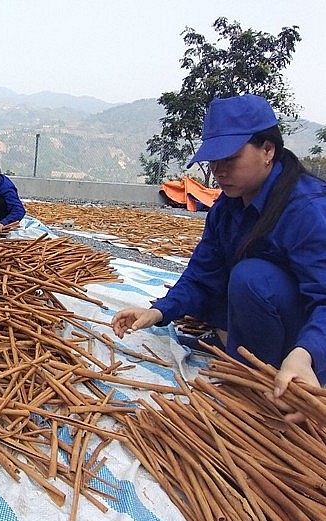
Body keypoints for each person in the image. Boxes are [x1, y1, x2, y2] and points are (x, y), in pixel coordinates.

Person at [110, 94, 326, 422]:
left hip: (308, 339)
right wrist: (158, 311)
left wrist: (306, 353)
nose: (219, 171)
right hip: (274, 321)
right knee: (226, 280)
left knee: (251, 277)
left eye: (230, 159)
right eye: (214, 161)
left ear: (268, 150)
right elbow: (202, 271)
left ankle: (273, 386)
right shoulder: (227, 206)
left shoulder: (307, 209)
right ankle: (256, 366)